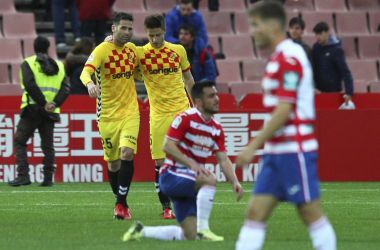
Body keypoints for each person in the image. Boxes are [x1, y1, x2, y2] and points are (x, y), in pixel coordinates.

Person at [235, 2, 336, 250]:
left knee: (311, 213)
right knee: (254, 213)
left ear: (271, 26)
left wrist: (252, 147)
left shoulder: (289, 57)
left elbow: (284, 111)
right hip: (277, 152)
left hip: (295, 149)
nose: (251, 30)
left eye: (255, 24)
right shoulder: (279, 57)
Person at [122, 81, 243, 242]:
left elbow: (223, 158)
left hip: (189, 182)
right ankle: (204, 230)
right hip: (172, 176)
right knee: (210, 179)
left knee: (188, 235)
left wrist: (234, 181)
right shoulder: (186, 118)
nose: (217, 99)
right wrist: (192, 164)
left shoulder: (216, 128)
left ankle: (141, 231)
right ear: (198, 101)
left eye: (216, 95)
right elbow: (167, 146)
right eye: (211, 96)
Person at [80, 12, 141, 220]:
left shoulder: (133, 50)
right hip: (106, 114)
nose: (127, 32)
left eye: (130, 28)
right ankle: (120, 200)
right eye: (123, 28)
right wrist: (89, 84)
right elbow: (85, 72)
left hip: (130, 111)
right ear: (113, 29)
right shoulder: (102, 50)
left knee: (127, 152)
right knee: (113, 163)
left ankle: (120, 204)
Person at [8, 36, 70, 187]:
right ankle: (48, 178)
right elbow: (66, 89)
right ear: (49, 48)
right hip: (50, 111)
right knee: (48, 146)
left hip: (32, 109)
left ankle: (23, 175)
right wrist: (53, 104)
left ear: (34, 48)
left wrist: (42, 103)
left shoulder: (28, 63)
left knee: (20, 141)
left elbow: (30, 85)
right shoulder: (60, 66)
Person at [312, 22, 353, 103]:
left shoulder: (336, 50)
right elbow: (313, 68)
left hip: (334, 91)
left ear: (327, 32)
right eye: (316, 34)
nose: (318, 37)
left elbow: (345, 71)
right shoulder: (316, 48)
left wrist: (349, 92)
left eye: (320, 34)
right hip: (319, 91)